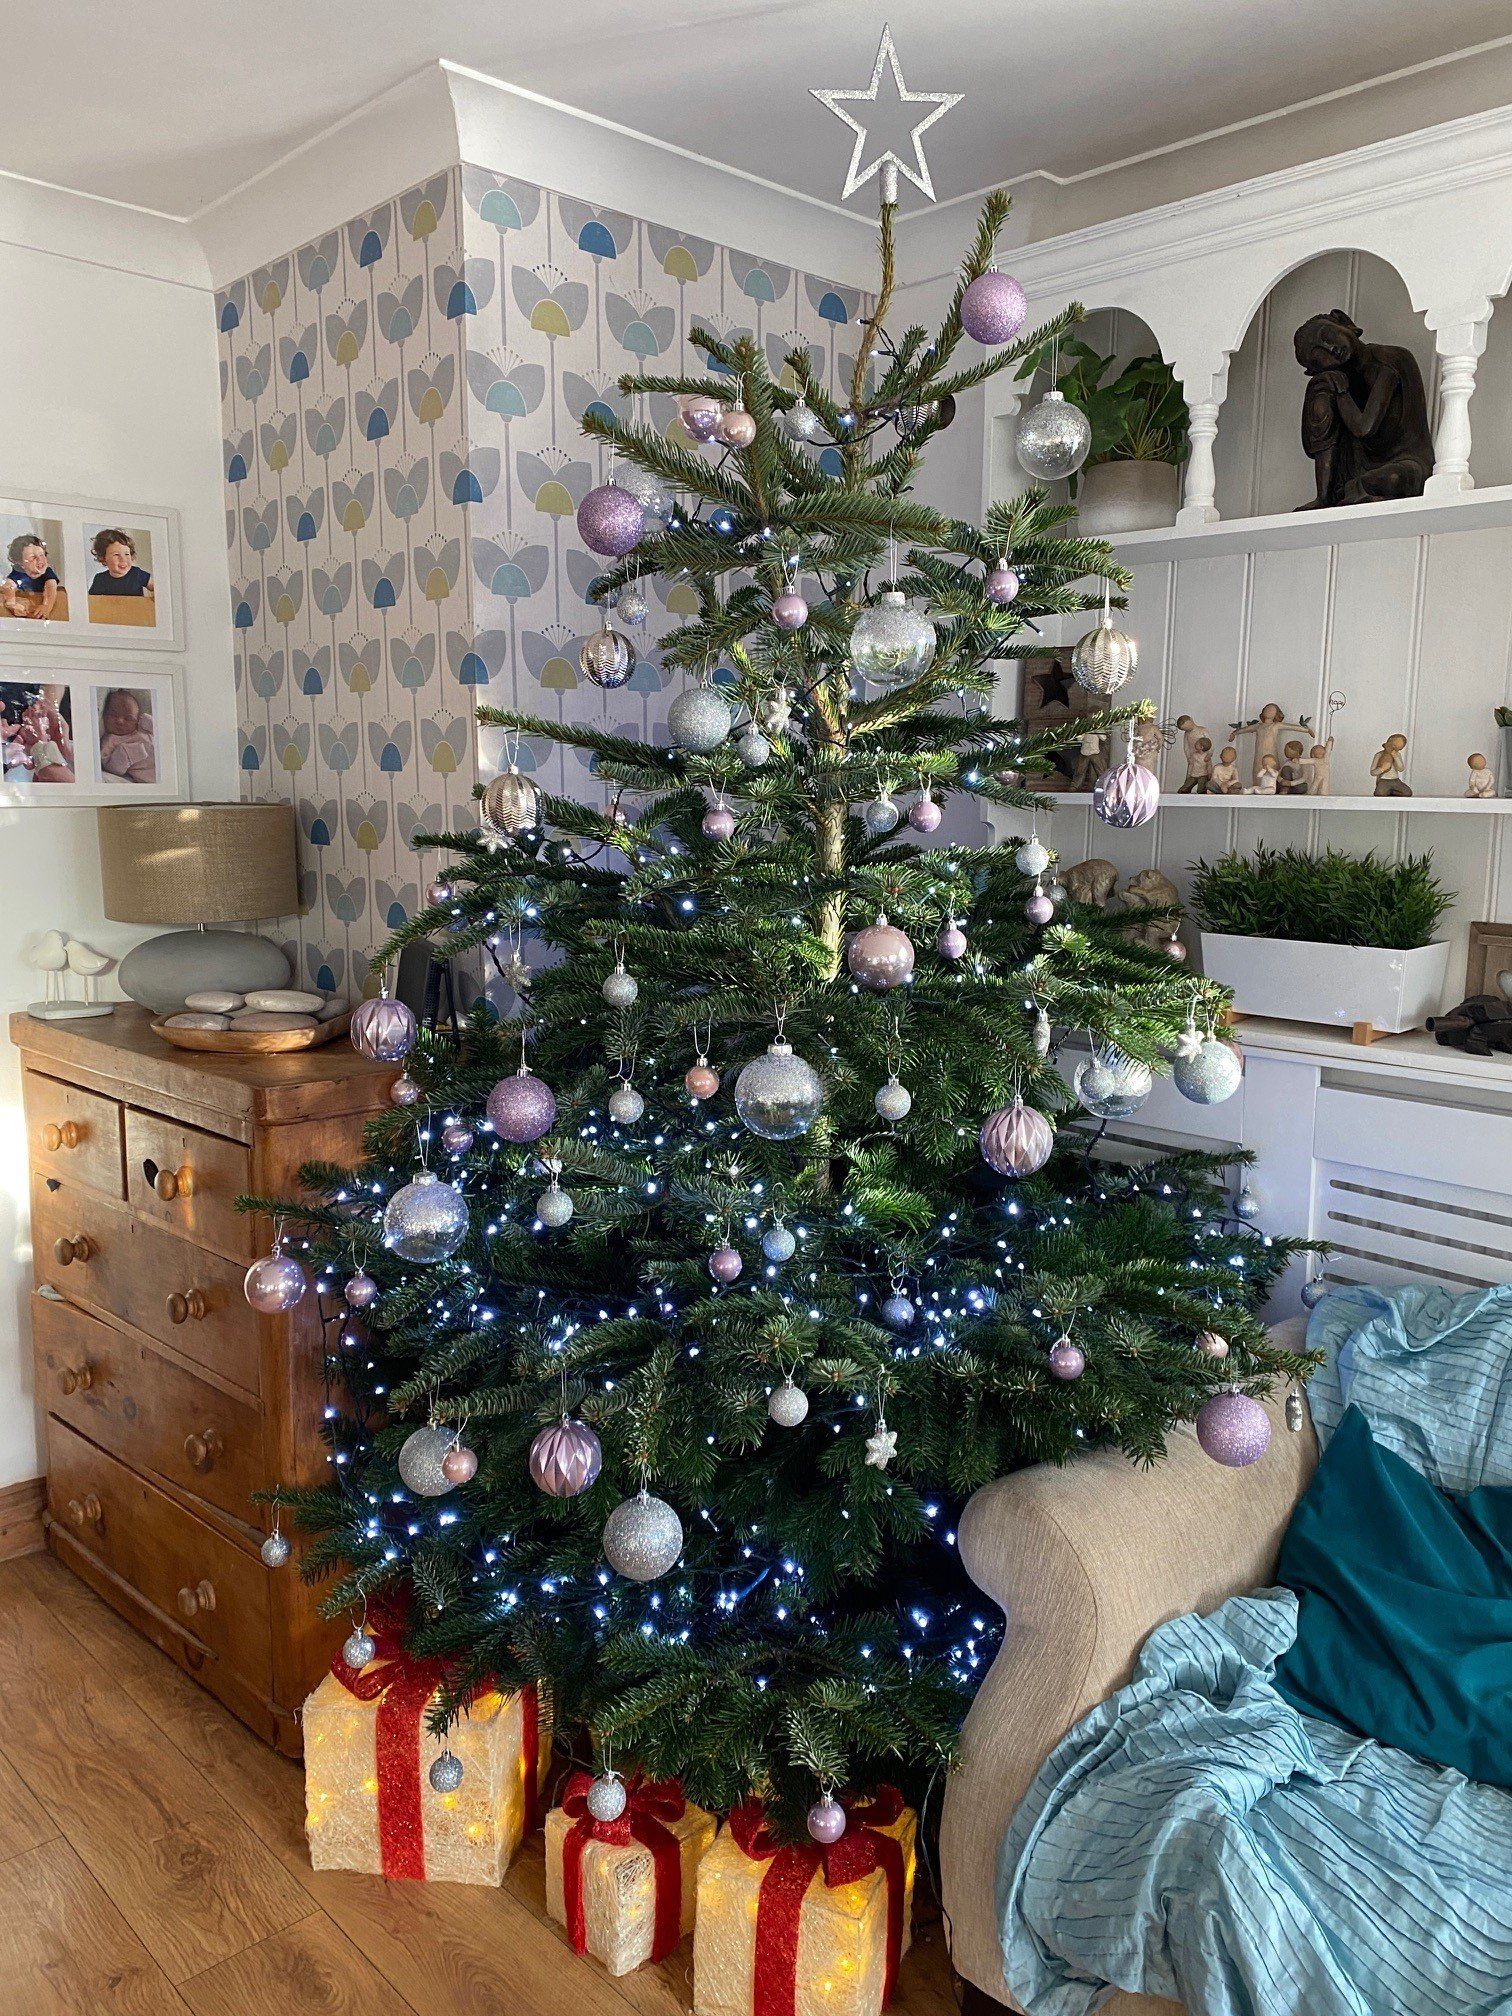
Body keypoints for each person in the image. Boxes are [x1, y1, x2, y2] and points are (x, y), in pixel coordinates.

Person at [98, 688, 156, 784]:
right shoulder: (110, 741)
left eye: (128, 718)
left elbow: (165, 733)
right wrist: (127, 753)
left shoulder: (142, 728)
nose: (120, 721)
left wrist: (148, 721)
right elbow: (112, 768)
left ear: (137, 720)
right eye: (114, 715)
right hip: (150, 775)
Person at [2, 534, 60, 620]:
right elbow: (9, 586)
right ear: (20, 563)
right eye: (33, 557)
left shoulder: (47, 572)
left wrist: (46, 605)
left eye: (42, 555)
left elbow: (51, 586)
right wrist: (12, 604)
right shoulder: (18, 573)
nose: (40, 560)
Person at [88, 528, 153, 601]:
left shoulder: (137, 573)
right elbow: (91, 601)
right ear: (103, 558)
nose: (123, 559)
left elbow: (156, 588)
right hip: (110, 612)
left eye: (127, 554)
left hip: (136, 611)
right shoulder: (100, 579)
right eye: (116, 554)